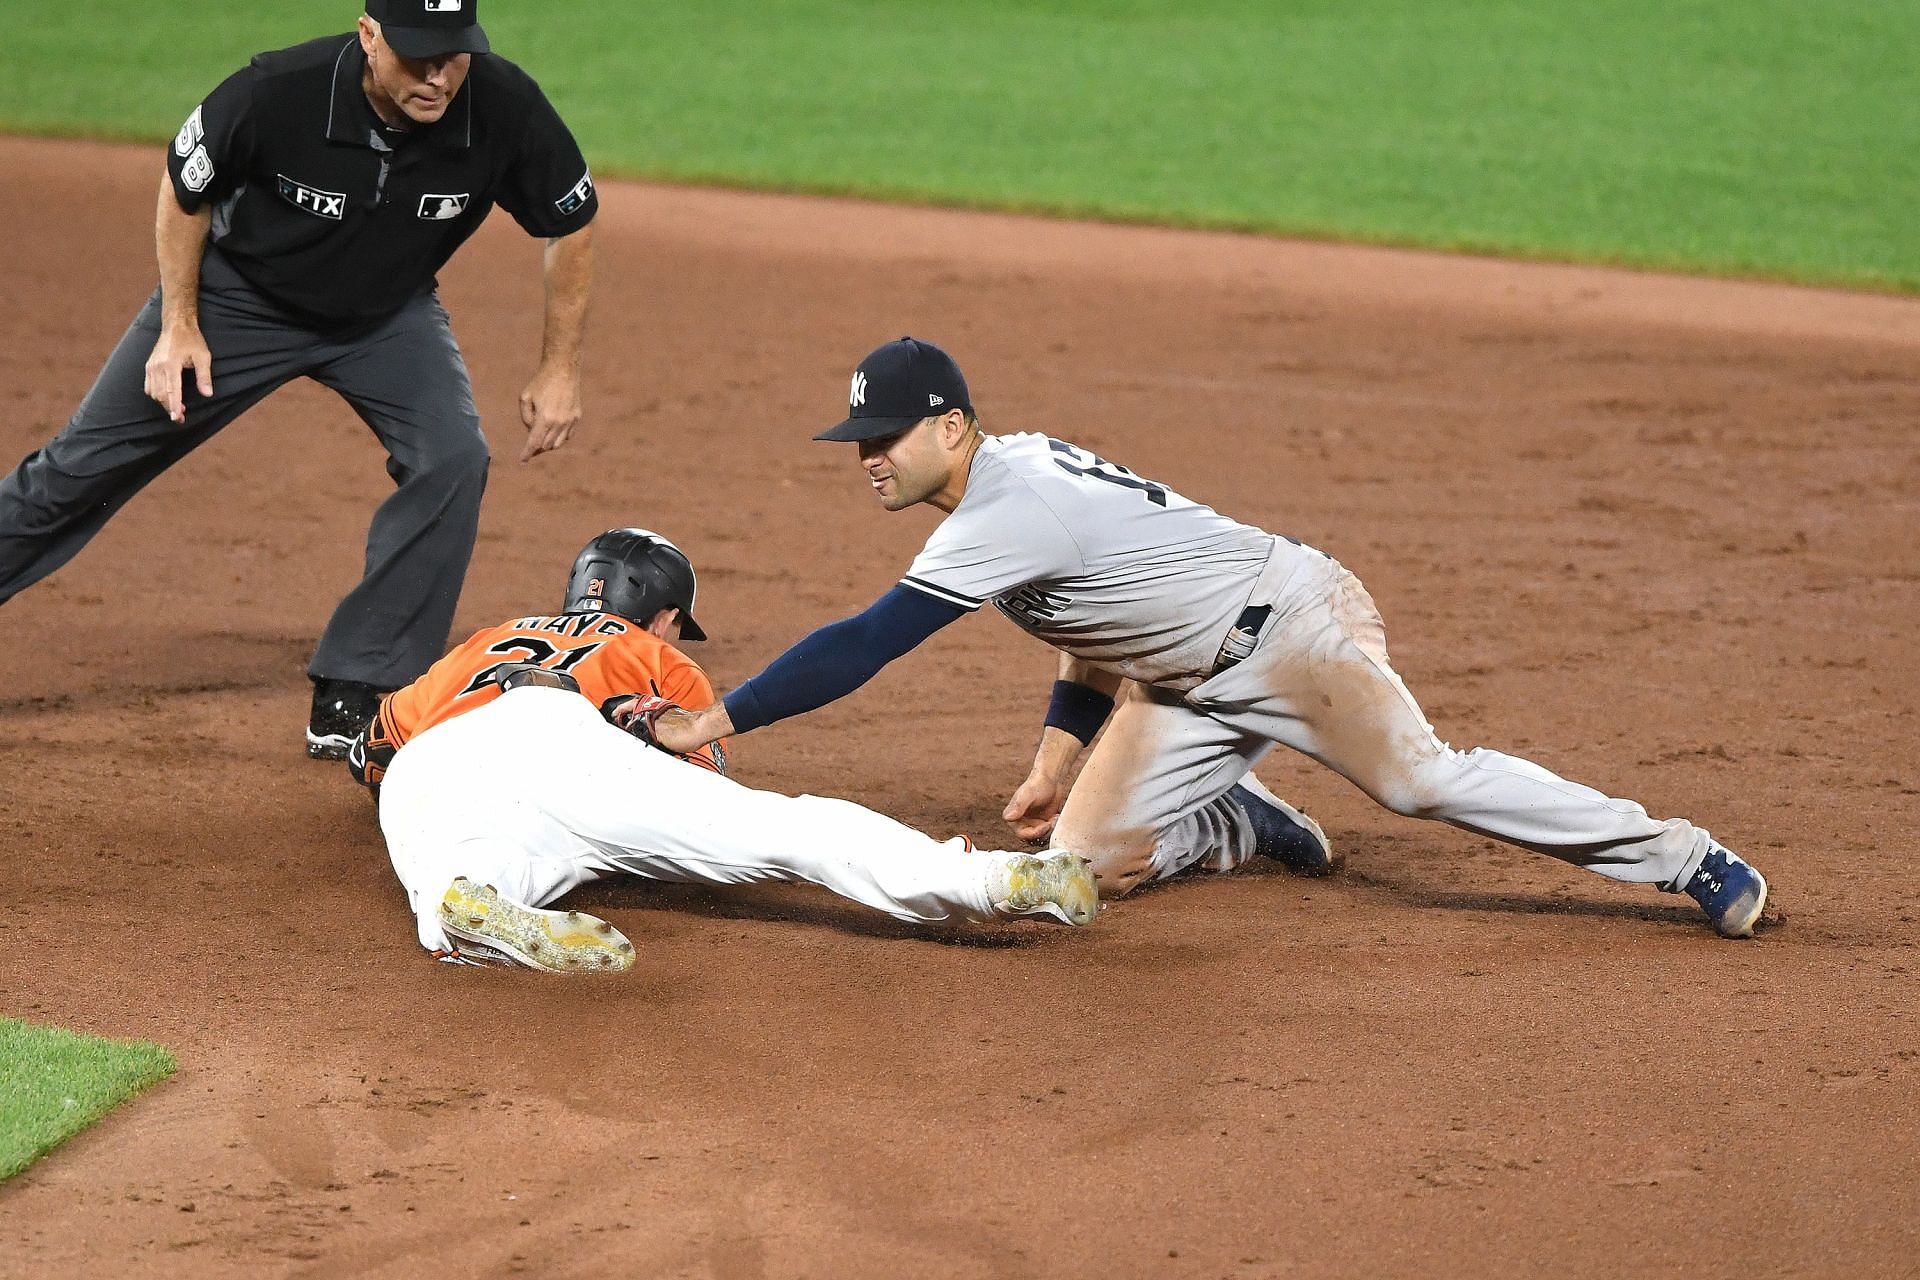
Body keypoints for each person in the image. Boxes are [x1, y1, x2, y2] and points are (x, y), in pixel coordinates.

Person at [646, 337, 1770, 940]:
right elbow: (1093, 614)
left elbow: (867, 641)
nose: (868, 458)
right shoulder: (1008, 481)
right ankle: (1234, 817)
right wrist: (1056, 750)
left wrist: (710, 716)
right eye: (857, 441)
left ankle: (1684, 856)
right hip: (1183, 676)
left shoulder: (1003, 502)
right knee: (1074, 874)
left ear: (951, 425)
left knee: (1423, 784)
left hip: (1291, 631)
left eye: (883, 436)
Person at [0, 0, 599, 759]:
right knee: (85, 464)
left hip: (387, 317)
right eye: (418, 56)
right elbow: (186, 190)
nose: (440, 77)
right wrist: (180, 323)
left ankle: (359, 682)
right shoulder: (277, 91)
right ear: (369, 35)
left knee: (452, 458)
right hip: (237, 300)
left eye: (454, 56)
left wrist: (560, 367)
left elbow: (570, 219)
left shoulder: (504, 105)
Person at [353, 528, 1100, 972]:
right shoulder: (655, 654)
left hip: (436, 758)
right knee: (791, 831)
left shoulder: (486, 638)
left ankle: (463, 896)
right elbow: (693, 777)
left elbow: (373, 748)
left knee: (463, 870)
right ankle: (995, 880)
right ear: (666, 613)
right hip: (567, 740)